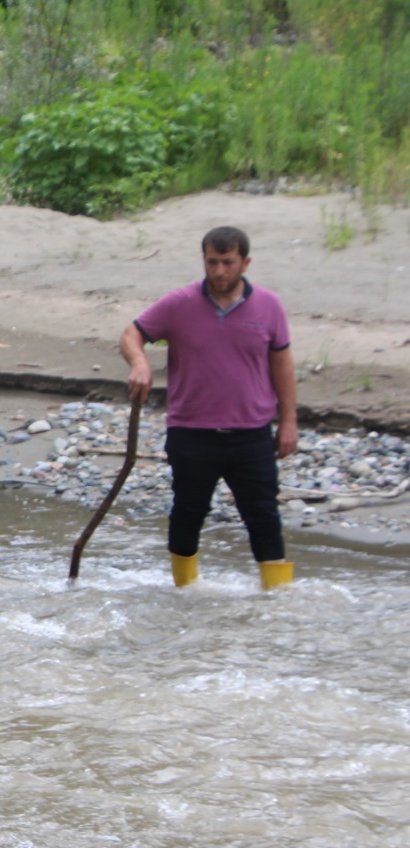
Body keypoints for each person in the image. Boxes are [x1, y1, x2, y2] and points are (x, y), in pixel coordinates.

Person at [120, 226, 298, 589]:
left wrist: (289, 422)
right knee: (188, 512)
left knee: (263, 516)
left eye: (227, 263)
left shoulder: (269, 306)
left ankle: (278, 602)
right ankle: (184, 591)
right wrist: (139, 363)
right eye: (212, 262)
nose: (219, 272)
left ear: (244, 263)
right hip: (192, 432)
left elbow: (282, 365)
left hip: (251, 433)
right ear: (203, 260)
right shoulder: (179, 304)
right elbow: (131, 334)